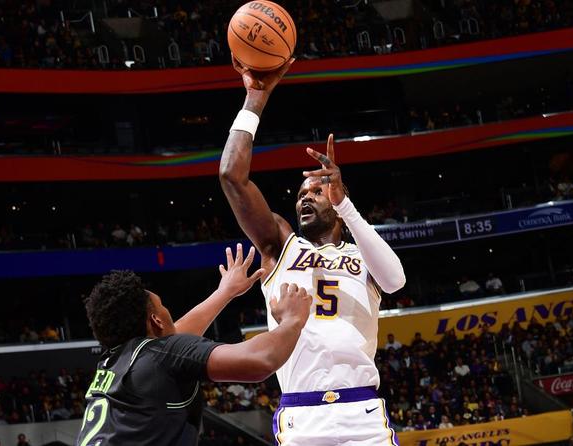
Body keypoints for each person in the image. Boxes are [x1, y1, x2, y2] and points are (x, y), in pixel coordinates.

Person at [220, 56, 405, 445]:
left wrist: (345, 206)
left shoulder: (362, 253)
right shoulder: (281, 244)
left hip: (363, 412)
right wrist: (255, 98)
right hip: (303, 414)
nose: (306, 197)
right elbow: (231, 177)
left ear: (337, 199)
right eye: (302, 193)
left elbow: (395, 280)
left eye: (318, 191)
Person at [76, 244, 311, 446]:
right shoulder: (161, 355)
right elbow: (261, 359)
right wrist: (293, 319)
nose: (168, 313)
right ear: (156, 320)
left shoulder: (115, 361)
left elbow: (174, 336)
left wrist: (225, 292)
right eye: (162, 306)